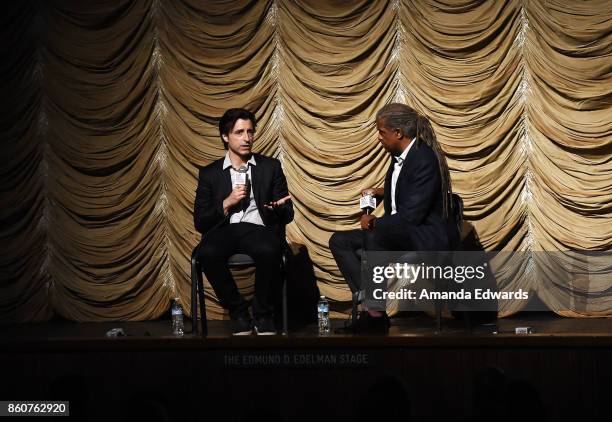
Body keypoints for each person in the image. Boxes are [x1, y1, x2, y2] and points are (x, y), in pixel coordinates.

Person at [329, 103, 459, 332]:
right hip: (402, 231)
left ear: (398, 133)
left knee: (374, 237)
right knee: (339, 242)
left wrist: (375, 222)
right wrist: (380, 192)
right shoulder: (400, 155)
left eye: (382, 132)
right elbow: (405, 191)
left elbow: (411, 215)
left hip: (423, 235)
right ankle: (371, 306)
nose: (379, 138)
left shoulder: (423, 159)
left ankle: (374, 315)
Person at [194, 108, 293, 335]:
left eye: (250, 131)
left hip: (259, 229)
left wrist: (276, 209)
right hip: (224, 231)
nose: (247, 138)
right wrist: (226, 203)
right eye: (239, 132)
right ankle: (238, 312)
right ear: (225, 136)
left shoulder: (270, 167)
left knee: (270, 249)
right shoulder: (210, 173)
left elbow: (288, 213)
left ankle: (262, 314)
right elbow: (200, 221)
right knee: (207, 253)